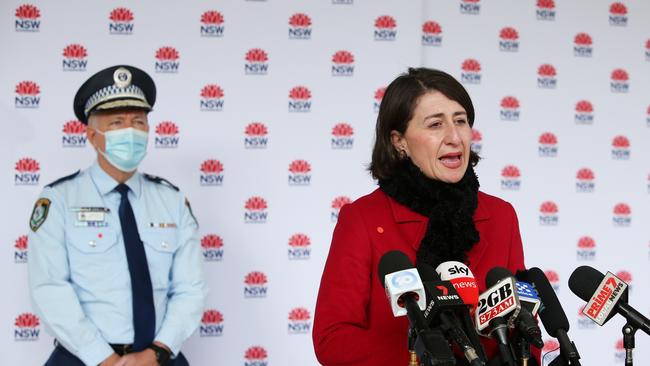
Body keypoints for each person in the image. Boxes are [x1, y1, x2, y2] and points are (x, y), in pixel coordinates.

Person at [313, 68, 540, 365]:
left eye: (461, 121)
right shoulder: (364, 219)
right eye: (435, 125)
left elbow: (523, 325)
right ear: (399, 141)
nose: (455, 137)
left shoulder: (500, 216)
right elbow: (333, 338)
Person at [28, 65, 207, 366]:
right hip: (82, 358)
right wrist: (105, 360)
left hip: (159, 358)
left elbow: (191, 287)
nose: (131, 131)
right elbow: (50, 288)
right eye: (116, 123)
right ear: (92, 135)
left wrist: (158, 352)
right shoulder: (58, 199)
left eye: (139, 122)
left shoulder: (171, 201)